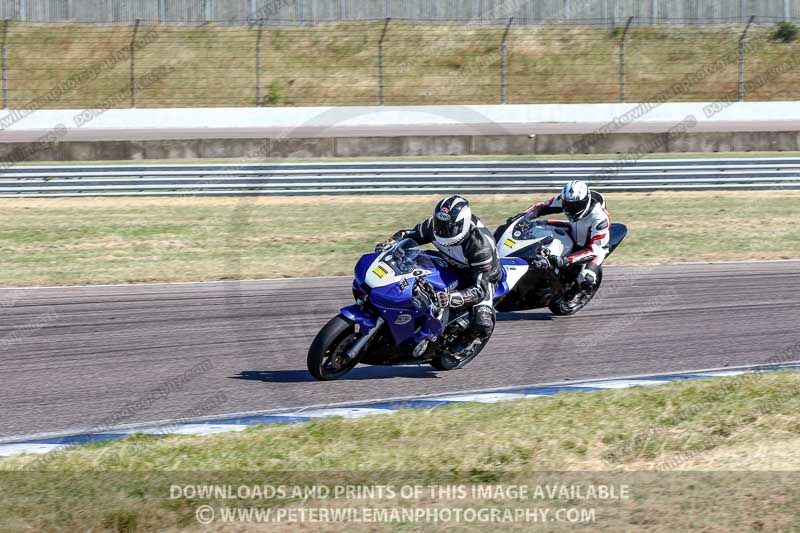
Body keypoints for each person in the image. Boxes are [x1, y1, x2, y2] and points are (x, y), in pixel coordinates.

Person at [375, 195, 501, 357]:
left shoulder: (480, 247)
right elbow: (409, 235)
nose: (442, 230)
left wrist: (448, 298)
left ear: (462, 224)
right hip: (448, 261)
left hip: (480, 277)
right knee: (407, 263)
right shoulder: (432, 226)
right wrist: (392, 242)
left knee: (483, 323)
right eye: (440, 224)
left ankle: (463, 343)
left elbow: (479, 290)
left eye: (449, 227)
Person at [505, 180, 611, 294]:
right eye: (567, 205)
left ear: (586, 201)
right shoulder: (564, 199)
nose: (571, 209)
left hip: (595, 246)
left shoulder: (600, 218)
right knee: (536, 229)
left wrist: (566, 260)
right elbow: (540, 207)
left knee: (586, 277)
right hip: (573, 230)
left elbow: (593, 250)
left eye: (576, 206)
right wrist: (520, 218)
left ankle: (576, 294)